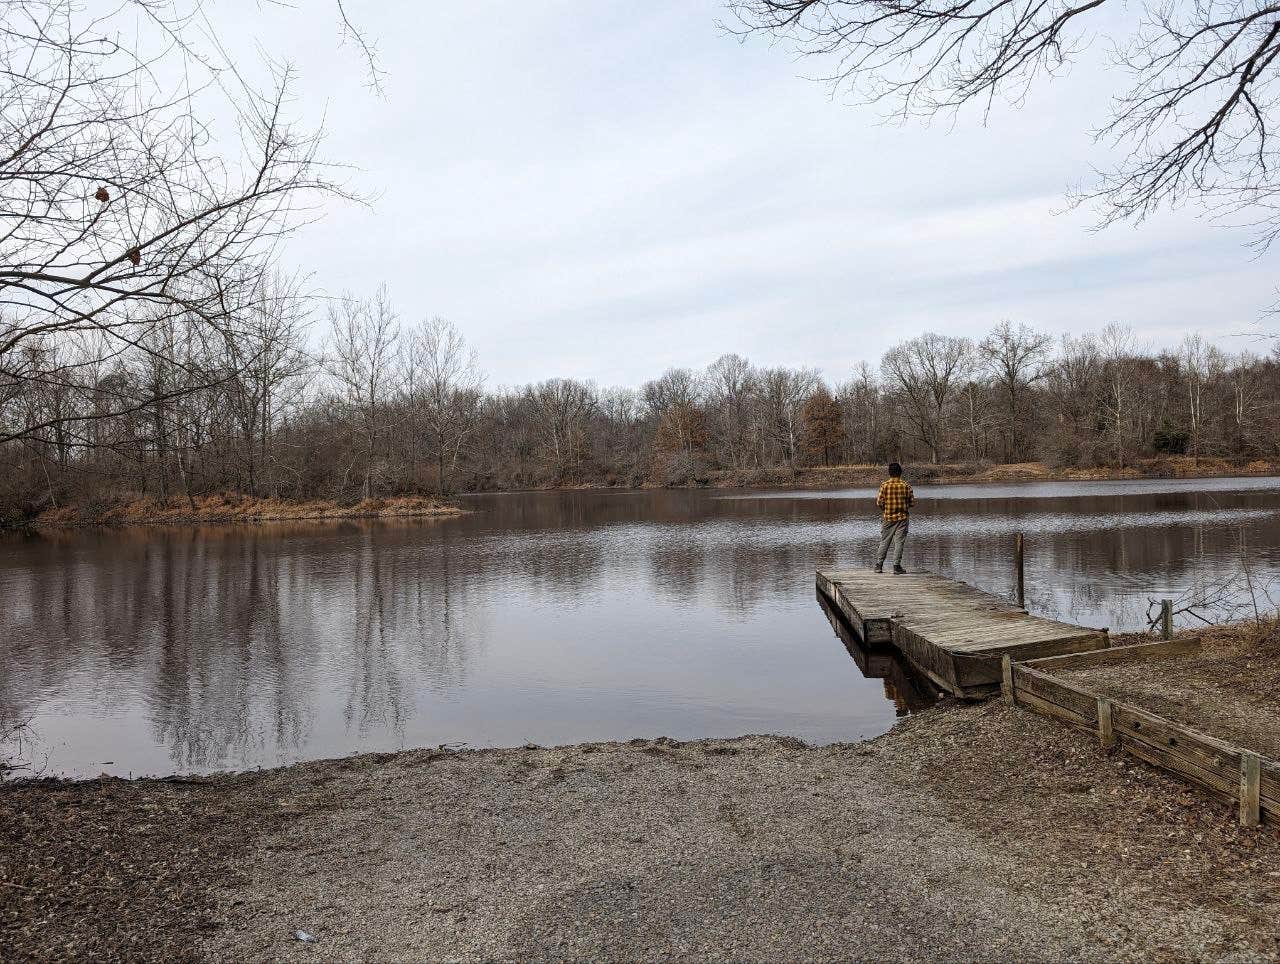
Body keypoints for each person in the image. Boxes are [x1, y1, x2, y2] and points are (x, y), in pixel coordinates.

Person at [874, 461, 913, 574]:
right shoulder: (906, 486)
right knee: (899, 542)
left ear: (889, 473)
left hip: (888, 518)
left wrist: (885, 509)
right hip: (902, 518)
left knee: (884, 541)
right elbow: (912, 503)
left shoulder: (884, 485)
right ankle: (896, 566)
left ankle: (879, 566)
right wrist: (903, 506)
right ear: (900, 472)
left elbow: (879, 502)